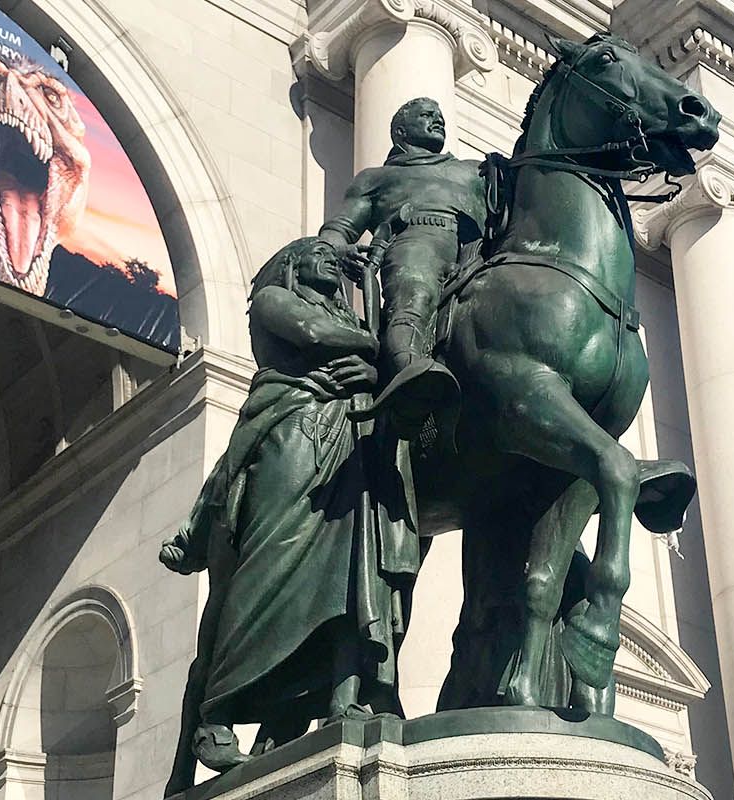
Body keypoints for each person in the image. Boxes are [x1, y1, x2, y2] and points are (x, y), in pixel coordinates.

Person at [160, 237, 420, 793]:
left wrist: (370, 370)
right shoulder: (275, 300)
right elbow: (316, 334)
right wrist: (380, 346)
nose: (328, 259)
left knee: (353, 578)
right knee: (269, 565)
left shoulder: (351, 310)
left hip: (350, 439)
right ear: (290, 264)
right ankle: (217, 711)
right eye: (314, 253)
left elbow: (354, 350)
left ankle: (338, 697)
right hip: (292, 432)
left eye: (333, 256)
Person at [317, 97, 488, 436]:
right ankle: (412, 373)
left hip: (477, 247)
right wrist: (340, 251)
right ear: (400, 130)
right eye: (427, 115)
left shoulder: (474, 170)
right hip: (415, 239)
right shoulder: (377, 178)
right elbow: (337, 230)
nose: (438, 120)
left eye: (439, 115)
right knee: (414, 292)